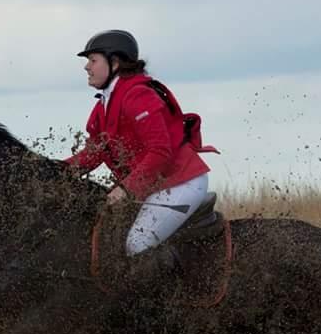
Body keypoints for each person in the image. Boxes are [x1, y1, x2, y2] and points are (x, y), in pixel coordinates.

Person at [65, 29, 218, 277]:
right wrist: (52, 170)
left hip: (180, 183)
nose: (86, 67)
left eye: (92, 60)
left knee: (137, 243)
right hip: (153, 186)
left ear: (114, 63)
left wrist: (126, 189)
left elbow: (160, 151)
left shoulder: (137, 94)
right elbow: (92, 154)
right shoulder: (102, 106)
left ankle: (171, 311)